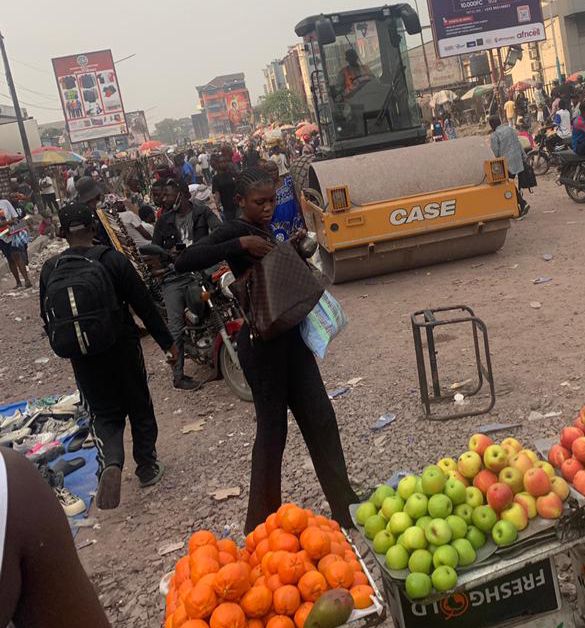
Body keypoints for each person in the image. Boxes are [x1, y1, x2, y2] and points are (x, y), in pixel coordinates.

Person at [175, 167, 358, 532]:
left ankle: (345, 506)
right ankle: (261, 525)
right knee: (273, 433)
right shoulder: (234, 229)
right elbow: (185, 260)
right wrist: (239, 246)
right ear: (240, 201)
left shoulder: (267, 227)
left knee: (321, 419)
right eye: (260, 202)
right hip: (262, 347)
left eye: (273, 200)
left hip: (291, 340)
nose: (269, 208)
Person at [39, 203, 176, 509]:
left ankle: (111, 462)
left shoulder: (51, 269)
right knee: (138, 403)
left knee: (103, 412)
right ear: (94, 228)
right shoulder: (112, 260)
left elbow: (47, 319)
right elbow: (144, 305)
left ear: (62, 233)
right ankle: (147, 466)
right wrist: (168, 343)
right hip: (122, 348)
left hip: (84, 356)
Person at [0, 447, 112, 626]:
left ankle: (112, 459)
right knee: (18, 486)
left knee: (107, 428)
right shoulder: (13, 482)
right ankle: (145, 466)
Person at [151, 177, 221, 390]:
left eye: (168, 194)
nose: (164, 199)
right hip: (175, 276)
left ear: (182, 193)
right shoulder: (164, 221)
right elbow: (154, 250)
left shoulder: (202, 212)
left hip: (202, 269)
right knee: (175, 327)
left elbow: (219, 231)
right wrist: (166, 259)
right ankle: (178, 376)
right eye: (163, 195)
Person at [488, 115, 529, 217]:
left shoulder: (495, 135)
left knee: (505, 184)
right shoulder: (510, 129)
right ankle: (519, 202)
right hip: (517, 159)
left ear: (492, 125)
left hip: (507, 163)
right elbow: (518, 143)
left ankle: (522, 203)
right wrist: (524, 156)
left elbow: (495, 153)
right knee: (512, 183)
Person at [0, 198, 31, 289]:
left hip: (12, 233)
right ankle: (18, 282)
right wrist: (8, 222)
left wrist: (11, 223)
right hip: (2, 237)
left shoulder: (5, 203)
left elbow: (15, 216)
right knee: (10, 259)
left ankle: (26, 279)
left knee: (17, 255)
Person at [212, 153, 239, 221]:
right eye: (221, 162)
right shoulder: (216, 178)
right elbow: (217, 194)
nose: (224, 163)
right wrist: (217, 206)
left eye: (225, 161)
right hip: (226, 208)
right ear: (218, 164)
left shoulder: (232, 174)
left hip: (238, 206)